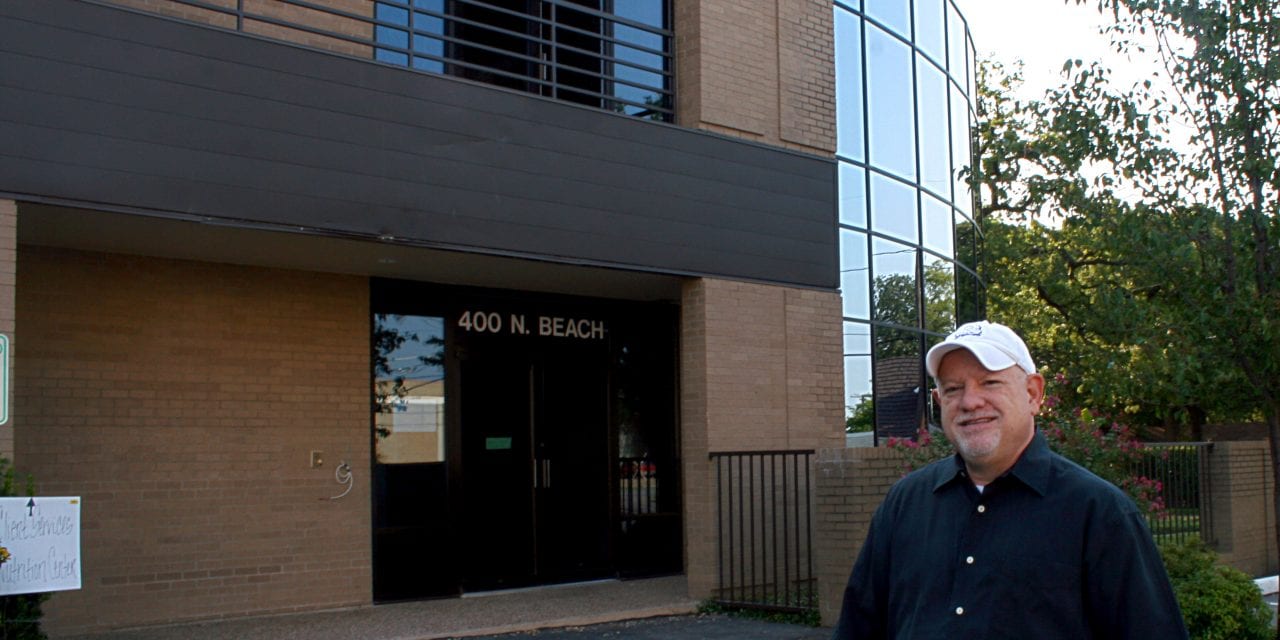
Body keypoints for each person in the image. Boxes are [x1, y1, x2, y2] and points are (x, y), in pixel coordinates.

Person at [832, 320, 1188, 639]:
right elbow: (859, 627)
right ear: (938, 401)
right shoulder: (905, 504)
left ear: (1033, 394)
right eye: (953, 389)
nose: (970, 401)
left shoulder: (1098, 513)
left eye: (990, 382)